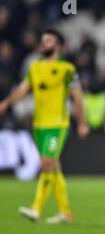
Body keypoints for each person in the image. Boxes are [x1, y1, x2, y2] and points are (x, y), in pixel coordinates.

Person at [0, 29, 89, 223]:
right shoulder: (35, 67)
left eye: (48, 40)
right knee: (54, 167)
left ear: (59, 45)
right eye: (43, 40)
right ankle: (65, 212)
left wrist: (82, 122)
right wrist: (6, 103)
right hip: (39, 124)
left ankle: (36, 208)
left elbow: (77, 97)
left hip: (57, 124)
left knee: (47, 163)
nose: (43, 43)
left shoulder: (67, 69)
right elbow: (23, 90)